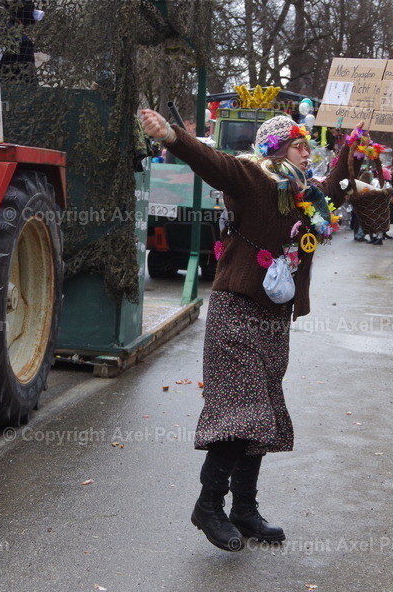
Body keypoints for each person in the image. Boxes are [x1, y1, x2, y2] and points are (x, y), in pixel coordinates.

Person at [138, 108, 373, 552]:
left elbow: (338, 189)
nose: (308, 152)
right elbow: (216, 164)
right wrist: (173, 135)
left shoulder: (306, 193)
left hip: (273, 320)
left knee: (260, 414)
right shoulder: (253, 177)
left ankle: (245, 509)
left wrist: (354, 145)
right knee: (242, 413)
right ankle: (208, 506)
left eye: (308, 145)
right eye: (300, 144)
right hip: (236, 311)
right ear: (277, 148)